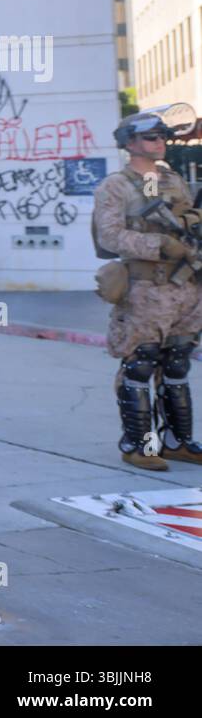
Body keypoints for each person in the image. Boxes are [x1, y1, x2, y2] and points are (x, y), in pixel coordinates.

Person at [93, 106, 202, 470]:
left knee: (177, 361)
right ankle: (138, 444)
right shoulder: (116, 186)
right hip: (145, 288)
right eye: (152, 137)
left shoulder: (173, 181)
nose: (161, 143)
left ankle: (177, 440)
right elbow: (109, 237)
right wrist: (158, 245)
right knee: (140, 363)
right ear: (131, 144)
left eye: (163, 137)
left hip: (185, 285)